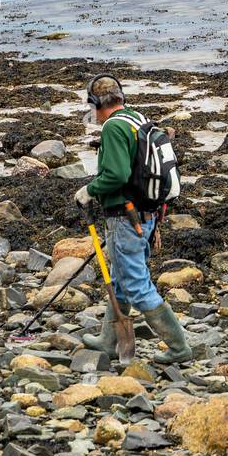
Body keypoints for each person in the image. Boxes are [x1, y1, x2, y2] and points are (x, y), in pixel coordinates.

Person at [73, 74, 194, 364]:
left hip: (125, 218)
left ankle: (179, 348)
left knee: (137, 285)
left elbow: (116, 175)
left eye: (91, 105)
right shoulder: (136, 118)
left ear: (96, 103)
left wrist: (88, 190)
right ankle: (108, 339)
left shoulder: (114, 128)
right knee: (119, 280)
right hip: (146, 214)